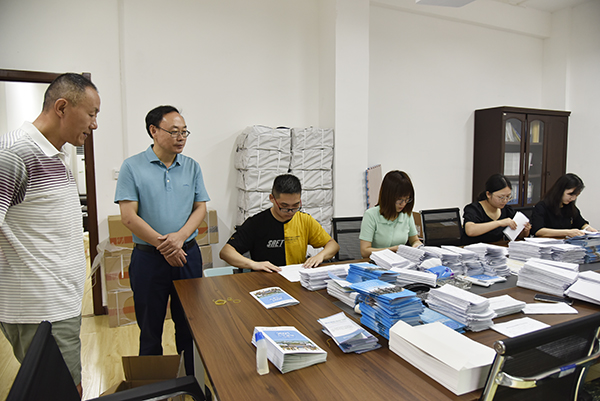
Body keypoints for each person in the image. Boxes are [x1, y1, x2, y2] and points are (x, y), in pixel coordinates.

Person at [0, 73, 100, 397]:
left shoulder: (55, 154)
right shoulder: (14, 154)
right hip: (40, 310)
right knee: (63, 392)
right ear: (62, 107)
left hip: (59, 304)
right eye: (91, 113)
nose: (95, 124)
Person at [114, 105, 209, 376]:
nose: (181, 137)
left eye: (185, 132)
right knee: (150, 328)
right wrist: (165, 246)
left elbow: (200, 208)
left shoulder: (191, 166)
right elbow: (128, 216)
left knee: (189, 325)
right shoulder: (132, 166)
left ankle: (191, 382)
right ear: (153, 131)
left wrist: (179, 238)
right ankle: (154, 388)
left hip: (187, 256)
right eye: (174, 131)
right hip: (149, 259)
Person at [220, 174, 339, 271]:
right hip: (266, 280)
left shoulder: (304, 220)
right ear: (272, 198)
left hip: (296, 278)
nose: (290, 211)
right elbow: (226, 252)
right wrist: (253, 264)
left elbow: (333, 245)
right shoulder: (256, 223)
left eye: (296, 205)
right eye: (284, 206)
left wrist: (320, 256)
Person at [359, 170, 422, 258]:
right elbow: (365, 251)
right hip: (376, 262)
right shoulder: (371, 215)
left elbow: (415, 240)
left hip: (400, 262)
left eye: (407, 199)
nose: (403, 204)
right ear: (388, 197)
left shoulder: (406, 214)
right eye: (399, 200)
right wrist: (393, 249)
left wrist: (417, 245)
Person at [462, 174, 531, 245]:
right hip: (473, 249)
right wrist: (499, 223)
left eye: (508, 196)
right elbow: (470, 231)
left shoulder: (507, 210)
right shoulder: (474, 209)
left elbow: (519, 236)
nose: (505, 201)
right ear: (488, 194)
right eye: (501, 197)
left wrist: (525, 231)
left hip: (497, 249)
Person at [531, 173, 597, 237]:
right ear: (560, 190)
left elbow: (580, 223)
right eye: (570, 194)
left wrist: (588, 228)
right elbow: (538, 230)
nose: (573, 198)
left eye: (576, 195)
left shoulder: (569, 206)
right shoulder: (542, 207)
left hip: (565, 242)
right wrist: (567, 232)